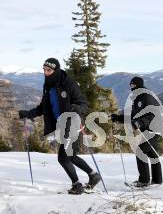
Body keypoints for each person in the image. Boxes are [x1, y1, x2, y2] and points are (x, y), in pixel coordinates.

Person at [18, 58, 101, 194]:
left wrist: (77, 107)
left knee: (64, 157)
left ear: (55, 70)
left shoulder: (69, 83)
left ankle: (77, 185)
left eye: (48, 70)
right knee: (70, 156)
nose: (46, 73)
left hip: (73, 123)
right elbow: (43, 108)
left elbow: (83, 103)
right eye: (44, 70)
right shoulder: (48, 86)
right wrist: (29, 113)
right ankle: (93, 176)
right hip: (63, 126)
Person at [111, 76, 162, 188]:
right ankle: (157, 180)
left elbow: (152, 115)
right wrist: (118, 118)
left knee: (141, 152)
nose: (132, 87)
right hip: (148, 128)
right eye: (131, 85)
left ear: (139, 85)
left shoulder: (146, 97)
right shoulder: (138, 97)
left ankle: (144, 181)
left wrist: (140, 123)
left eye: (133, 85)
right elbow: (133, 116)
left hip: (153, 128)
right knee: (151, 153)